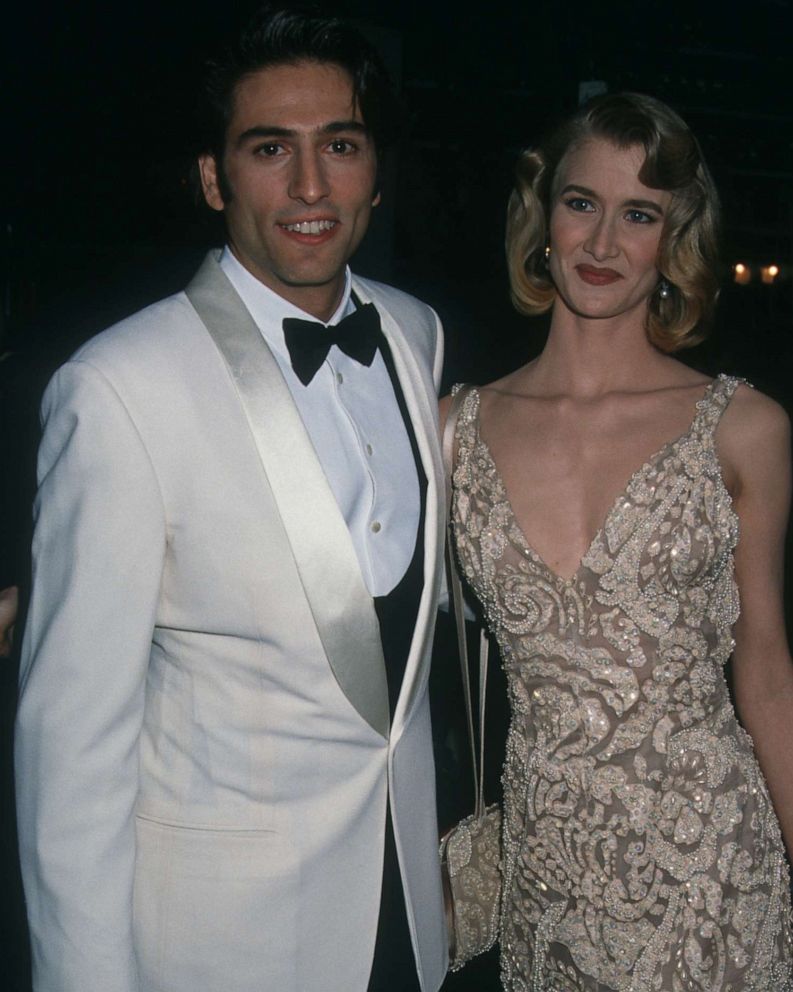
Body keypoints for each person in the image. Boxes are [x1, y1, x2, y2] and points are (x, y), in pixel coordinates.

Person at [15, 8, 449, 992]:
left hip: (404, 922)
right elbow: (71, 750)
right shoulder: (119, 387)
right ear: (215, 179)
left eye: (338, 145)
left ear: (375, 170)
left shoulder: (416, 336)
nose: (308, 186)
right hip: (218, 945)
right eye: (269, 149)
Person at [442, 92, 793, 990]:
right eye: (580, 203)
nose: (601, 243)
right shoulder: (451, 428)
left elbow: (764, 671)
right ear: (542, 215)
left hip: (711, 865)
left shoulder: (740, 427)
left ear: (673, 240)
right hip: (547, 875)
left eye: (638, 214)